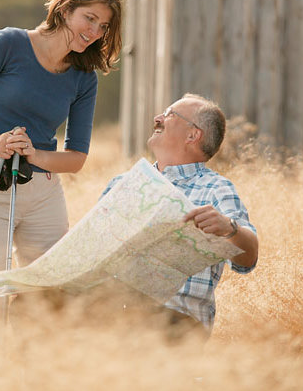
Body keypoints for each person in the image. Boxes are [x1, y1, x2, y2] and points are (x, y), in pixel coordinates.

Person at [0, 0, 122, 343]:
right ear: (66, 8)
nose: (94, 31)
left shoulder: (84, 76)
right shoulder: (10, 44)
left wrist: (35, 153)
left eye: (103, 26)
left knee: (52, 296)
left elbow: (76, 158)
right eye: (90, 18)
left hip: (44, 194)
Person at [102, 93, 258, 339]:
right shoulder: (122, 184)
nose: (157, 118)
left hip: (174, 320)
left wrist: (230, 229)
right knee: (33, 301)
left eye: (169, 114)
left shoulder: (216, 189)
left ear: (192, 135)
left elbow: (247, 260)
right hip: (112, 310)